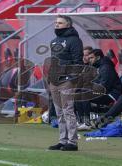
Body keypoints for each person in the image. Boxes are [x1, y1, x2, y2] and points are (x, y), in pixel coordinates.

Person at [47, 15, 83, 151]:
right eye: (56, 22)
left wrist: (71, 78)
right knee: (59, 112)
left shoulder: (75, 41)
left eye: (60, 23)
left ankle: (72, 142)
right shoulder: (54, 41)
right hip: (54, 81)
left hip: (67, 81)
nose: (56, 25)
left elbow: (78, 61)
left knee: (68, 111)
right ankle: (62, 140)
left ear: (68, 25)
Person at [76, 49, 122, 129]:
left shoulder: (106, 67)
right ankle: (81, 121)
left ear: (98, 57)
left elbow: (104, 86)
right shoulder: (99, 66)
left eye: (91, 58)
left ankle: (87, 123)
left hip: (112, 94)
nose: (89, 59)